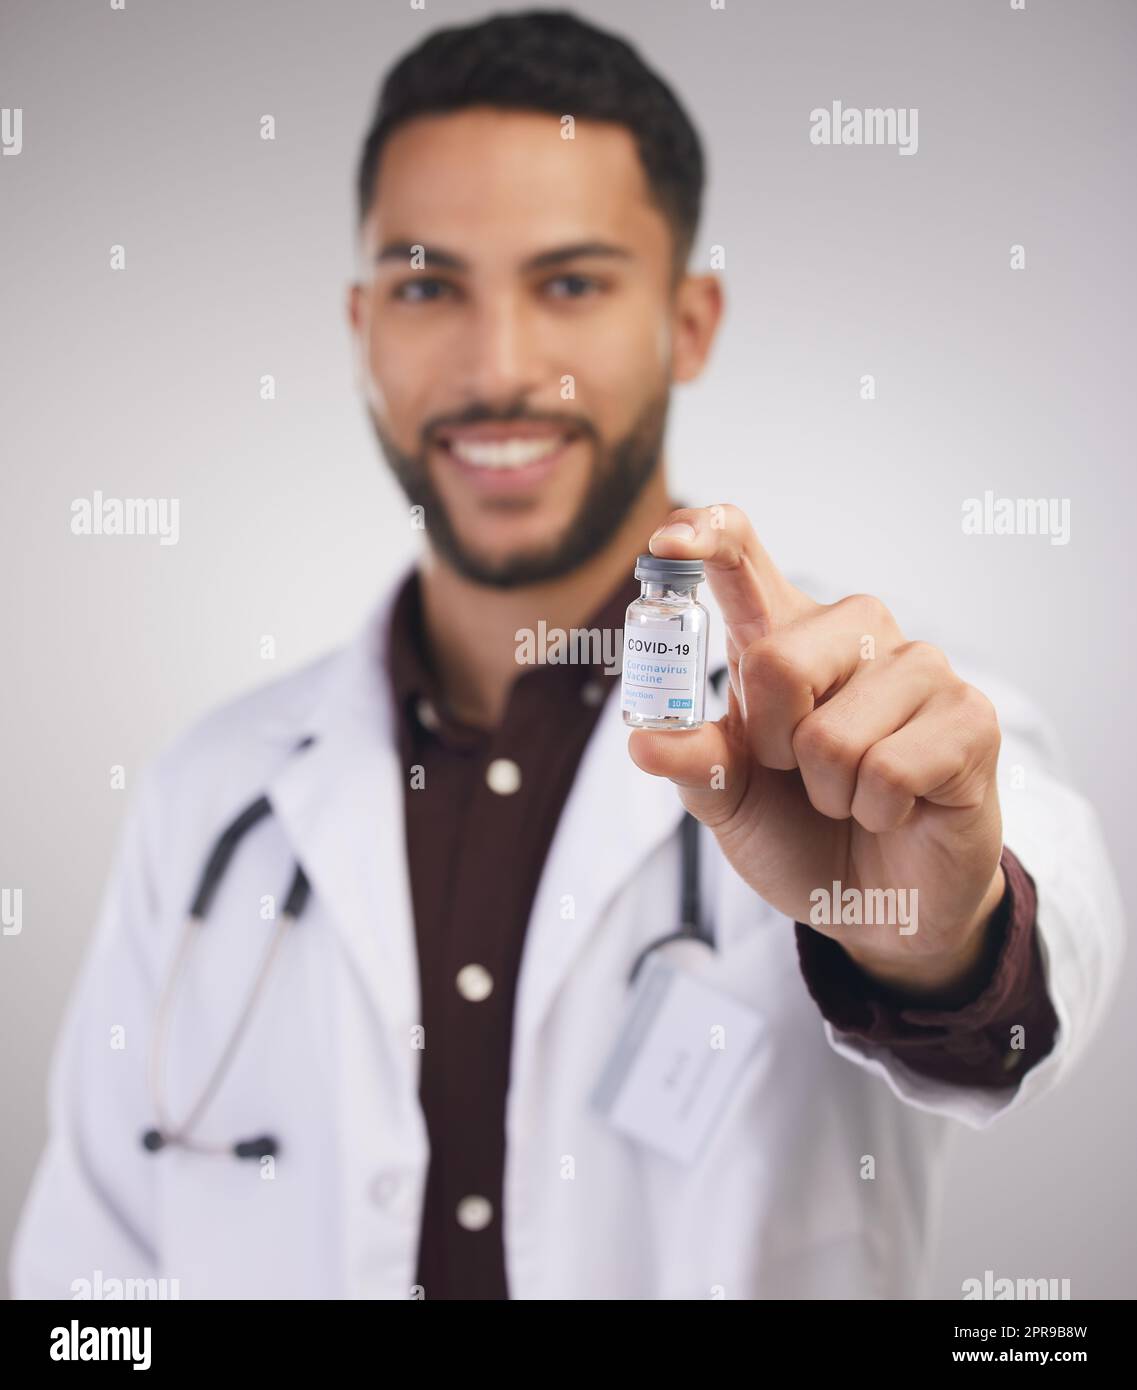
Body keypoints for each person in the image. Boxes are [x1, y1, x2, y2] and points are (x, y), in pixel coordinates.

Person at [11, 9, 1122, 1300]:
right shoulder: (210, 791)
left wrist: (925, 933)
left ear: (689, 322)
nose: (498, 368)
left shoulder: (870, 714)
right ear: (363, 324)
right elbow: (82, 1291)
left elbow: (1030, 986)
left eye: (572, 282)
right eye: (430, 287)